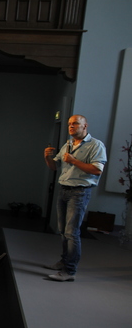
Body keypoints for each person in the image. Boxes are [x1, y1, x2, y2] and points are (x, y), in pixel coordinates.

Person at [44, 114, 107, 281]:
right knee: (64, 232)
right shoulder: (68, 144)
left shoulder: (96, 145)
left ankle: (70, 271)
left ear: (85, 126)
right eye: (70, 124)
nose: (71, 126)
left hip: (79, 192)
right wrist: (47, 157)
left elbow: (97, 170)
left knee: (72, 232)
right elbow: (54, 167)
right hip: (63, 190)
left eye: (76, 124)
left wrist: (74, 160)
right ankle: (64, 261)